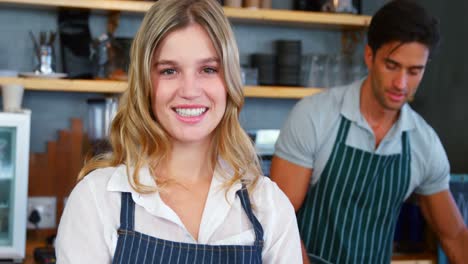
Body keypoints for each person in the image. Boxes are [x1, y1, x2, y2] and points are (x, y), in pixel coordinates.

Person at [55, 0, 301, 263]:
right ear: (145, 84)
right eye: (169, 71)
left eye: (208, 69)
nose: (190, 90)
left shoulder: (268, 206)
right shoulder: (98, 200)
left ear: (229, 81)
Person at [270, 0, 468, 263]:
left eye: (414, 71)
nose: (401, 83)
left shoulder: (423, 143)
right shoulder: (314, 117)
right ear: (369, 56)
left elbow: (454, 237)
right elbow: (278, 220)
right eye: (392, 65)